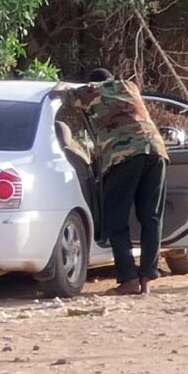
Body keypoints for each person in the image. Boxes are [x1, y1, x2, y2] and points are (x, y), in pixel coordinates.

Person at [57, 69, 169, 295]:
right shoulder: (130, 87)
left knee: (116, 218)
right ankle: (147, 276)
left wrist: (58, 88)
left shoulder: (93, 91)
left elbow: (63, 96)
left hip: (124, 155)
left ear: (93, 83)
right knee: (151, 216)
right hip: (156, 151)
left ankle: (128, 279)